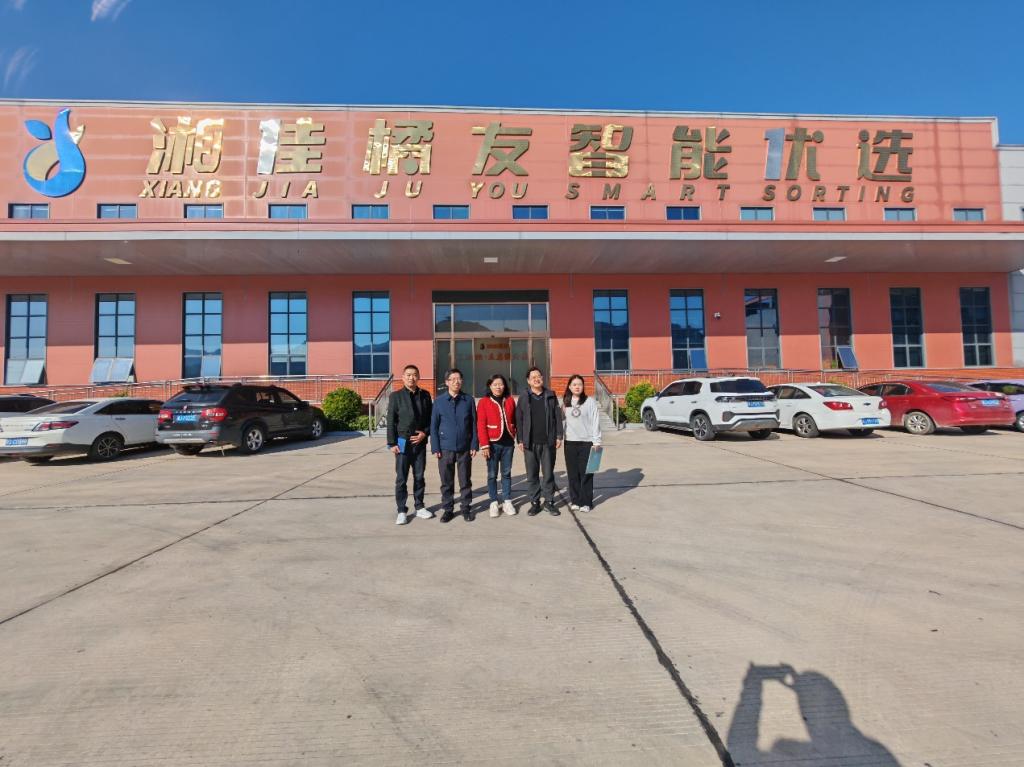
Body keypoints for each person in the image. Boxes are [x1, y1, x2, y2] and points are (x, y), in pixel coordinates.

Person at [386, 364, 433, 526]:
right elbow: (391, 421)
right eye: (408, 375)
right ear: (403, 377)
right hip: (402, 443)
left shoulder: (425, 395)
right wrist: (391, 443)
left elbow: (431, 419)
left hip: (419, 442)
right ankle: (401, 510)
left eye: (414, 375)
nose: (411, 378)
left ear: (418, 377)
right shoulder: (396, 396)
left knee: (419, 476)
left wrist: (424, 433)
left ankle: (419, 506)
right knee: (401, 478)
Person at [430, 368, 478, 523]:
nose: (456, 382)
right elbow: (433, 426)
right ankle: (448, 509)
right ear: (447, 382)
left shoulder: (468, 400)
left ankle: (466, 508)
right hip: (445, 448)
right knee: (446, 482)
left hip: (464, 447)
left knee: (465, 480)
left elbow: (474, 424)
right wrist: (435, 447)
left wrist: (474, 444)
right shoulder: (439, 401)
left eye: (459, 379)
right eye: (453, 379)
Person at [515, 366, 563, 516]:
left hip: (548, 442)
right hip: (530, 443)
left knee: (548, 474)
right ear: (528, 381)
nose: (536, 379)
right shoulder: (524, 397)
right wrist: (520, 439)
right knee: (532, 475)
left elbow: (557, 417)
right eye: (533, 377)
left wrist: (559, 436)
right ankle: (535, 502)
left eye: (539, 376)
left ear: (542, 378)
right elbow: (519, 419)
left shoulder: (550, 395)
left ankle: (549, 502)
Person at [476, 374, 518, 518]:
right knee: (492, 474)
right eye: (495, 384)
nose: (498, 387)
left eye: (501, 384)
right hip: (492, 444)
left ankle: (507, 501)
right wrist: (484, 445)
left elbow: (515, 420)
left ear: (504, 386)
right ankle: (493, 501)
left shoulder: (510, 400)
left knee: (506, 473)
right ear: (490, 386)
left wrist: (514, 432)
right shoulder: (484, 402)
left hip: (508, 444)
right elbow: (481, 424)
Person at [562, 374, 602, 513]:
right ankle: (575, 501)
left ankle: (586, 502)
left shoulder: (589, 402)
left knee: (587, 473)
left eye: (579, 384)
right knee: (573, 474)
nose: (577, 387)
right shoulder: (565, 402)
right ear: (569, 387)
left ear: (583, 386)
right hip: (570, 443)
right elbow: (562, 421)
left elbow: (595, 421)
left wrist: (597, 441)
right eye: (574, 384)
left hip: (587, 442)